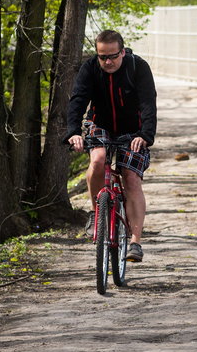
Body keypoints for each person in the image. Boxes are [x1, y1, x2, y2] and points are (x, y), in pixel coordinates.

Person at [65, 30, 157, 262]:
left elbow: (148, 103)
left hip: (133, 131)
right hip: (100, 125)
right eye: (102, 57)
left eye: (112, 56)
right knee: (97, 160)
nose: (107, 62)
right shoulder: (90, 69)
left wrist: (145, 134)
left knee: (131, 177)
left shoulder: (138, 67)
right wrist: (73, 132)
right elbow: (78, 100)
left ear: (122, 52)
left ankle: (135, 242)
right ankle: (97, 214)